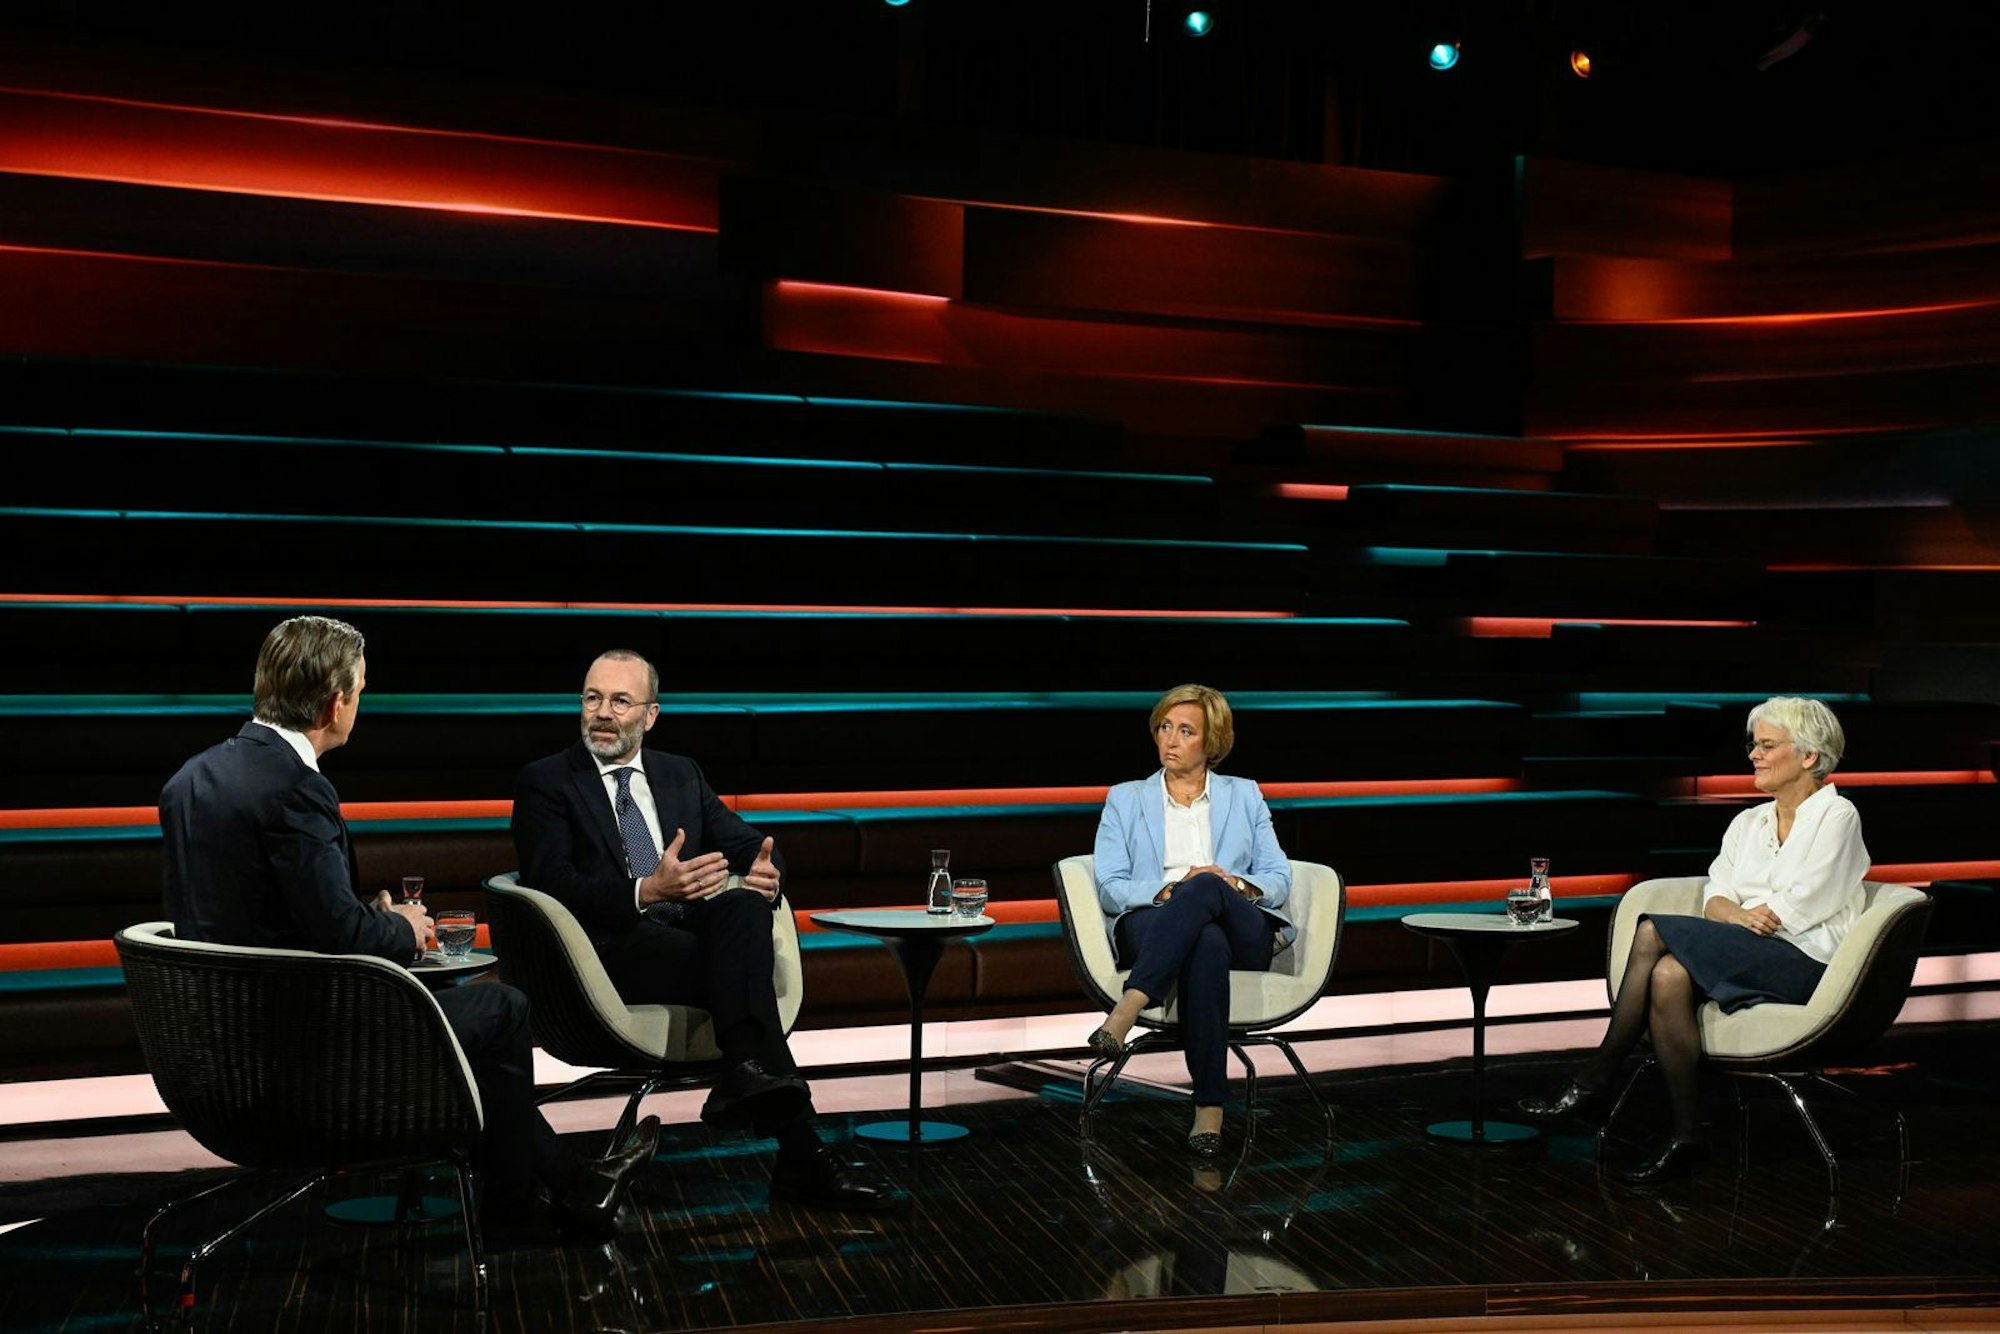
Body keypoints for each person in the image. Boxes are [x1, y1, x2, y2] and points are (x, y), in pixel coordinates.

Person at [159, 616, 658, 1244]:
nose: (358, 705)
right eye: (361, 690)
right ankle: (514, 1209)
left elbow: (262, 915)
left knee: (468, 1016)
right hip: (304, 1050)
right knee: (502, 1009)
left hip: (218, 1049)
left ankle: (573, 1183)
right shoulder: (295, 789)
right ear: (334, 701)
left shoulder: (189, 781)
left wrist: (365, 915)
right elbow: (340, 934)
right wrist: (401, 928)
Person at [510, 649, 892, 1212]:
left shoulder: (678, 773)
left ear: (651, 714)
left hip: (683, 942)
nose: (603, 713)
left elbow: (747, 842)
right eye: (593, 698)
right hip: (605, 953)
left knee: (743, 911)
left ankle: (747, 1075)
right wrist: (647, 891)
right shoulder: (546, 781)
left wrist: (768, 873)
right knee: (740, 970)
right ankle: (800, 1152)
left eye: (621, 701)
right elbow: (549, 883)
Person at [1520, 696, 1870, 1183]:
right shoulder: (1748, 823)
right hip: (1747, 951)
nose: (1754, 754)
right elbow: (1716, 895)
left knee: (1652, 930)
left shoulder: (1838, 817)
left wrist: (1744, 917)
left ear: (1808, 756)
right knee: (1667, 974)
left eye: (1767, 745)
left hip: (1805, 963)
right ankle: (1687, 1136)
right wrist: (1738, 916)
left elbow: (1807, 902)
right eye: (1754, 744)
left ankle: (1596, 1079)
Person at [1088, 684, 1297, 1159]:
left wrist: (1232, 886)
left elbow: (1278, 877)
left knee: (1206, 886)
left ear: (1212, 742)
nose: (1171, 740)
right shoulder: (1125, 799)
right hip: (1154, 921)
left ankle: (1129, 1007)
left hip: (1242, 925)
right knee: (1203, 939)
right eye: (1165, 727)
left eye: (1186, 731)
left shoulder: (1244, 795)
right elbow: (1110, 885)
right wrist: (1169, 892)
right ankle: (1209, 1108)